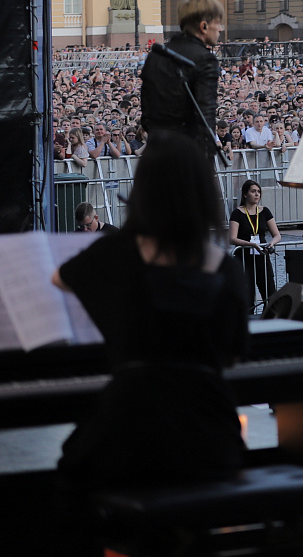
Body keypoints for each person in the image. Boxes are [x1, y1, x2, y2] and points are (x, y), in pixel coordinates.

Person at [51, 133, 249, 493]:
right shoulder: (227, 270)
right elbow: (233, 356)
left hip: (129, 429)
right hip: (211, 436)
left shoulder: (114, 253)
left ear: (142, 192)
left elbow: (60, 277)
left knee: (70, 475)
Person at [139, 0, 223, 156]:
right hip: (189, 155)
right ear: (203, 26)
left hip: (155, 154)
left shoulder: (156, 55)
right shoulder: (205, 59)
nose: (220, 29)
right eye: (217, 23)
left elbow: (147, 114)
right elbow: (206, 114)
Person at [227, 178, 281, 312]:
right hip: (244, 258)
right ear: (245, 194)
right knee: (247, 295)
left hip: (261, 256)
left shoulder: (264, 211)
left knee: (269, 293)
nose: (257, 194)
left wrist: (271, 243)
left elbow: (277, 235)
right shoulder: (237, 213)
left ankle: (269, 322)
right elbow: (232, 239)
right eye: (253, 191)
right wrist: (251, 244)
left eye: (258, 192)